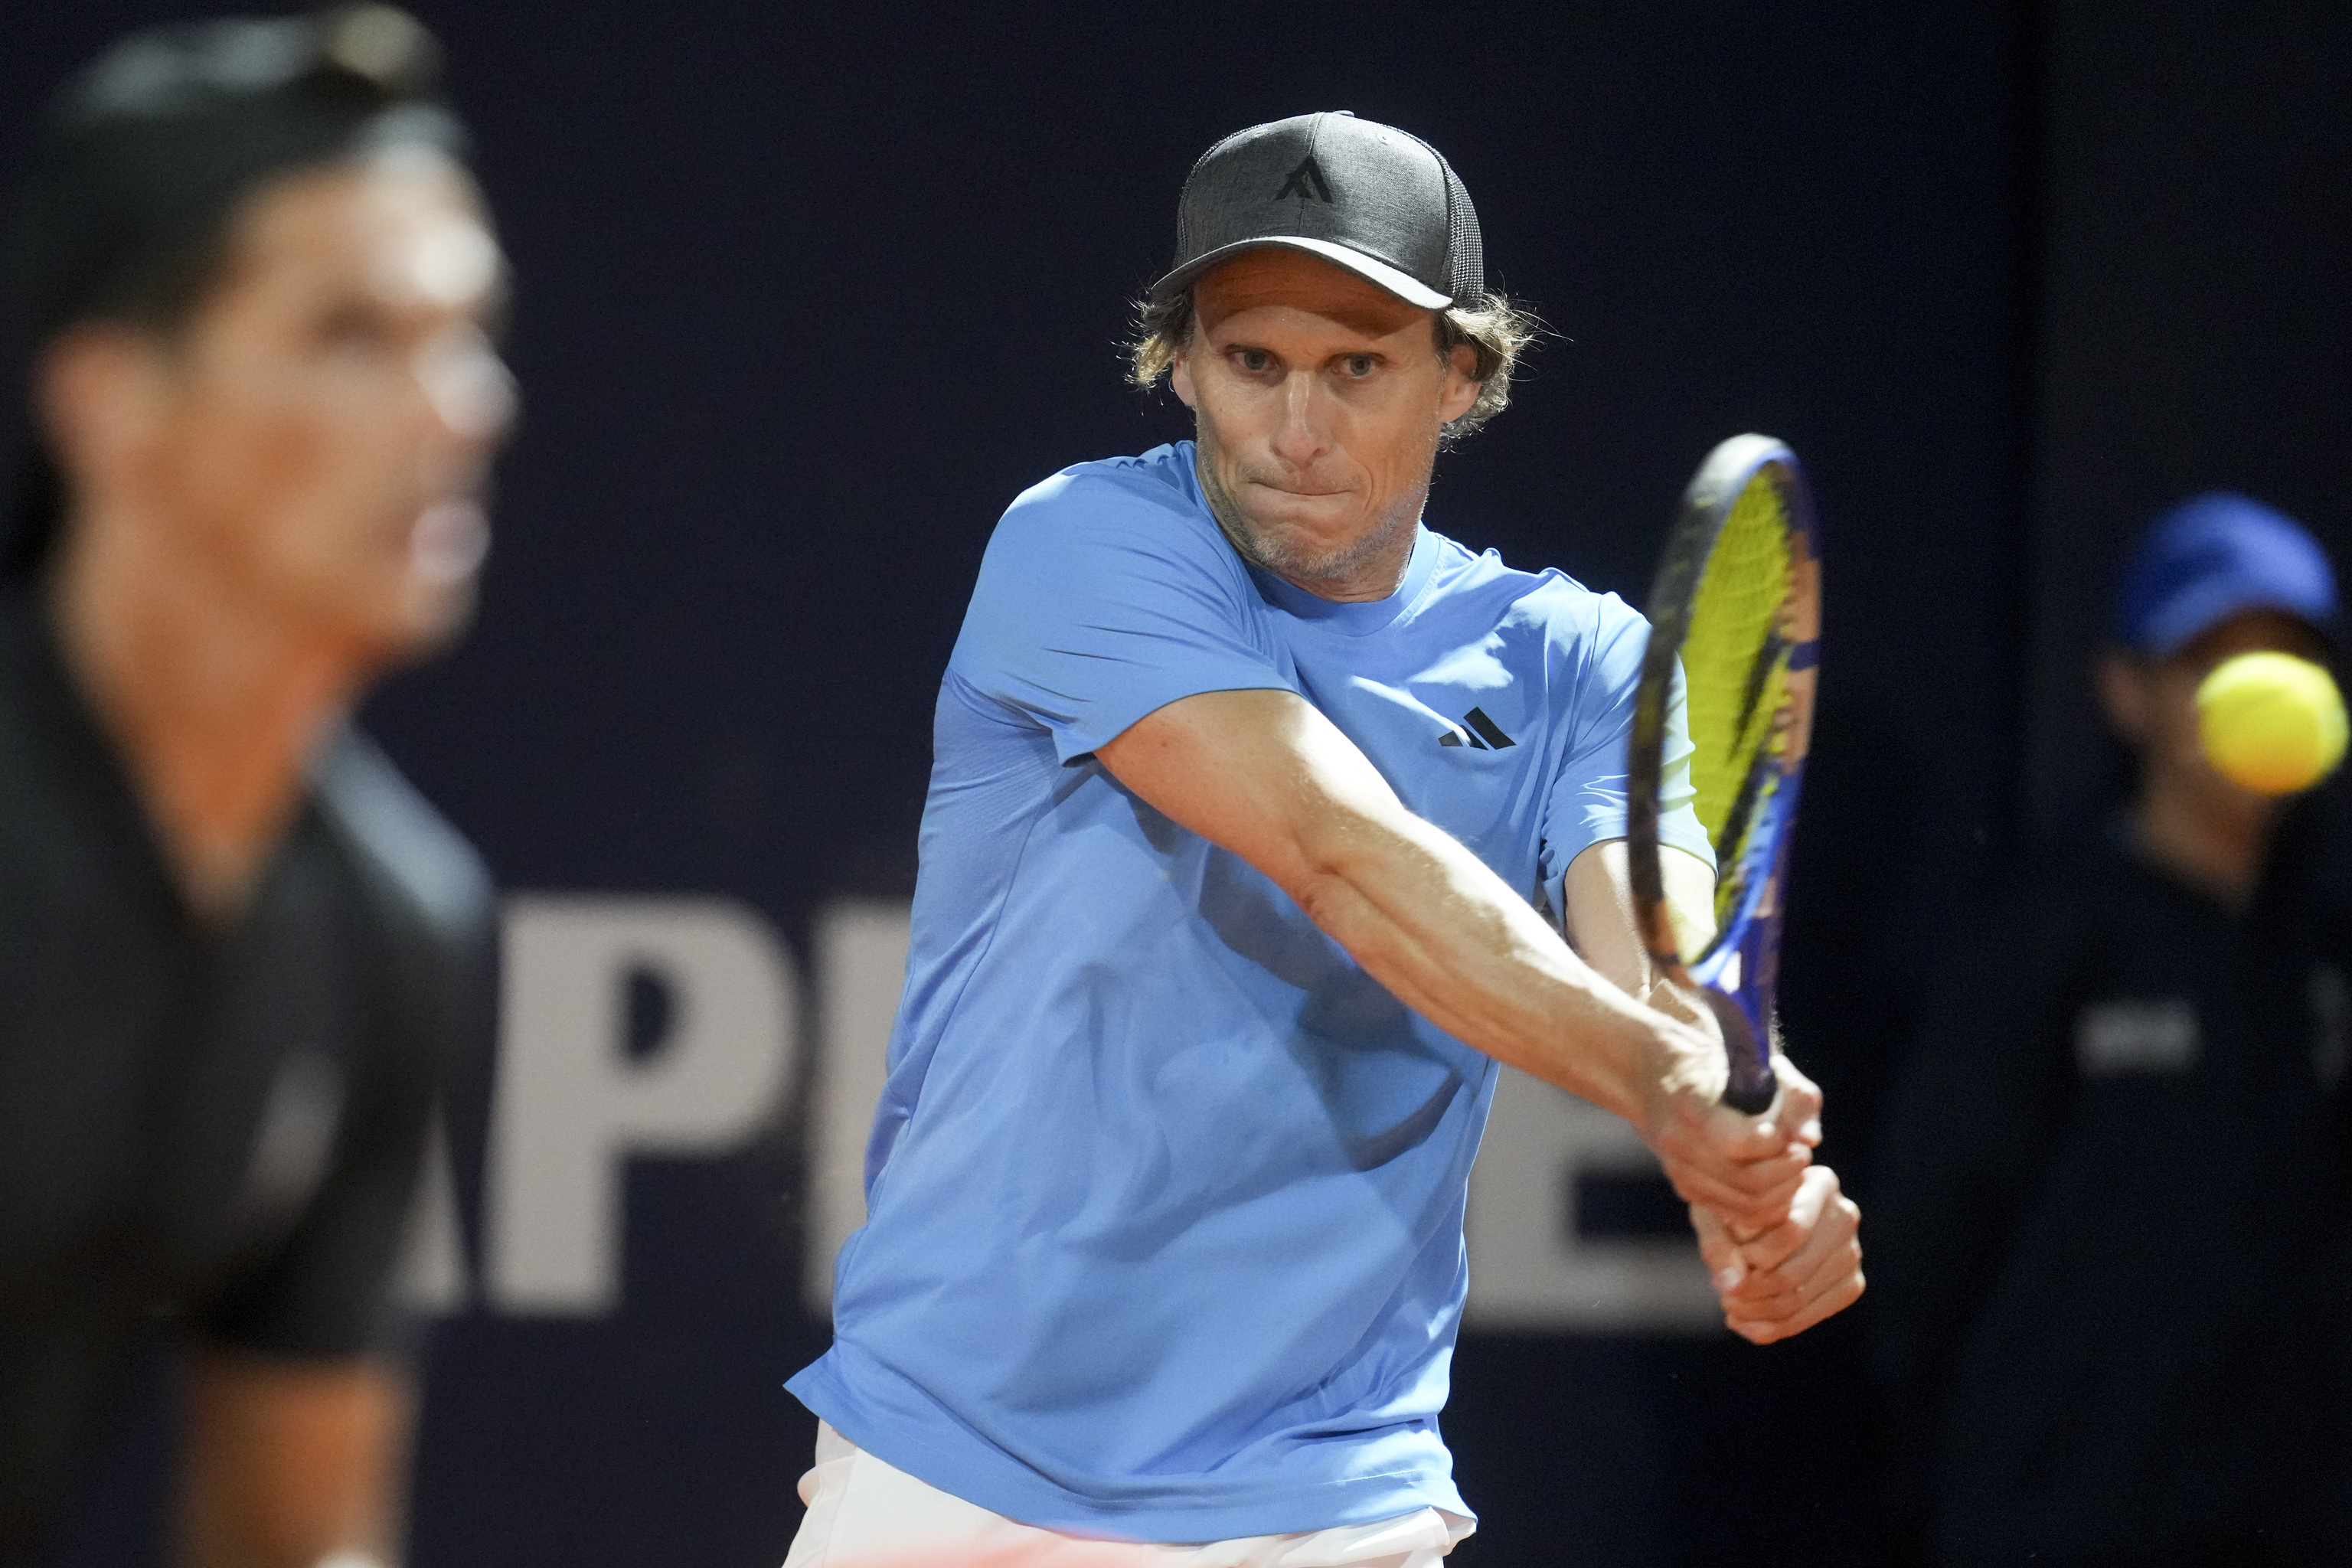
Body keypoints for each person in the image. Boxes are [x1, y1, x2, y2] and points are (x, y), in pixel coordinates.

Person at [786, 110, 1863, 1567]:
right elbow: (1334, 849)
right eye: (1253, 364)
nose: (1296, 430)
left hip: (1324, 1497)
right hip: (956, 1463)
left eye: (1357, 367)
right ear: (1180, 365)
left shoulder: (1578, 662)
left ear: (1462, 377)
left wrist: (1741, 1143)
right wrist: (1658, 1081)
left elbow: (1664, 959)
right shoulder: (1081, 544)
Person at [0, 8, 512, 1564]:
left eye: (469, 334)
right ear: (110, 404)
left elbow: (296, 1539)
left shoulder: (389, 934)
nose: (460, 410)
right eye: (352, 336)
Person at [1870, 493, 2352, 1566]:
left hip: (2291, 1523)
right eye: (2212, 657)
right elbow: (1925, 1251)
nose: (2256, 690)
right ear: (2128, 693)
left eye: (2287, 657)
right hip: (2058, 1521)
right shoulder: (2036, 949)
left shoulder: (2322, 957)